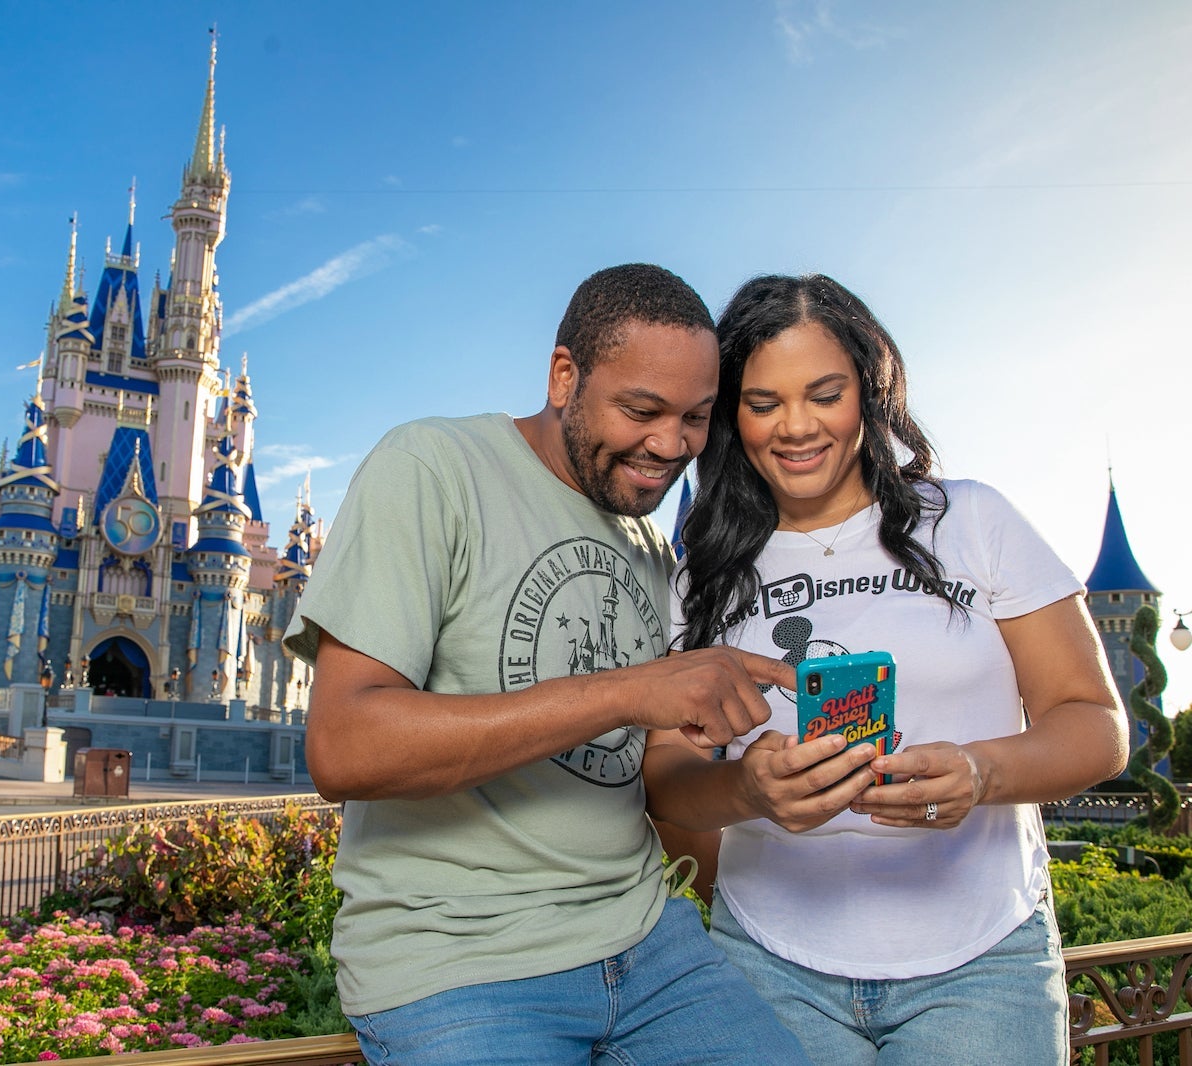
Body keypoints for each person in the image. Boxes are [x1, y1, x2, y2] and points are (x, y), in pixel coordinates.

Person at [283, 264, 812, 1065]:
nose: (670, 446)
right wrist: (629, 691)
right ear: (564, 376)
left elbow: (656, 773)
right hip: (457, 961)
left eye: (696, 419)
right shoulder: (433, 466)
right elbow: (346, 747)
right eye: (642, 410)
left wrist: (751, 787)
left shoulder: (650, 546)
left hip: (649, 942)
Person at [644, 273, 1128, 1065]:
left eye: (824, 394)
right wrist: (745, 790)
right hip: (767, 963)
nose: (795, 428)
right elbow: (665, 773)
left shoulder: (973, 519)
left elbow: (1095, 726)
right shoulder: (704, 575)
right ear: (731, 414)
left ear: (870, 391)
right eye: (763, 403)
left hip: (982, 967)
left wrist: (979, 771)